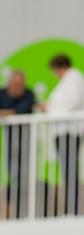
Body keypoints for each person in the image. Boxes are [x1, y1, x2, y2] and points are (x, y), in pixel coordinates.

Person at [39, 55, 84, 215]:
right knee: (68, 171)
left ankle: (74, 209)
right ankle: (73, 207)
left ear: (57, 67)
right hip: (64, 131)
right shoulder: (69, 80)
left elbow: (72, 102)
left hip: (70, 130)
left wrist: (49, 109)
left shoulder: (74, 78)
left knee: (69, 170)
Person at [0, 70, 36, 218]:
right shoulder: (2, 93)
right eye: (14, 84)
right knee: (13, 172)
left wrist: (10, 113)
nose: (17, 87)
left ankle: (26, 210)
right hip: (10, 138)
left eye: (20, 84)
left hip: (26, 137)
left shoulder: (28, 94)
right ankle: (16, 209)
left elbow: (22, 109)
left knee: (25, 174)